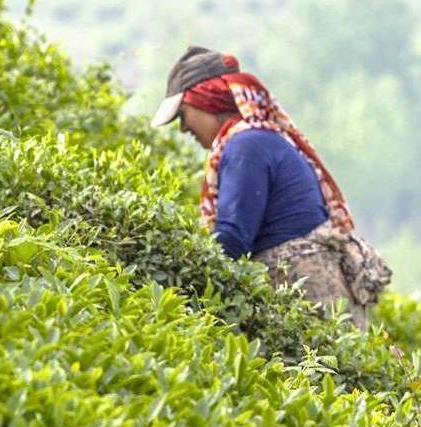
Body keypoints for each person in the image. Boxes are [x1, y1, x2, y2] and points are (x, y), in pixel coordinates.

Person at [151, 46, 390, 328]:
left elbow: (231, 239)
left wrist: (173, 281)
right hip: (316, 285)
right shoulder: (257, 140)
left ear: (207, 101)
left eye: (183, 115)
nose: (183, 129)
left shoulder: (245, 146)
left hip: (307, 288)